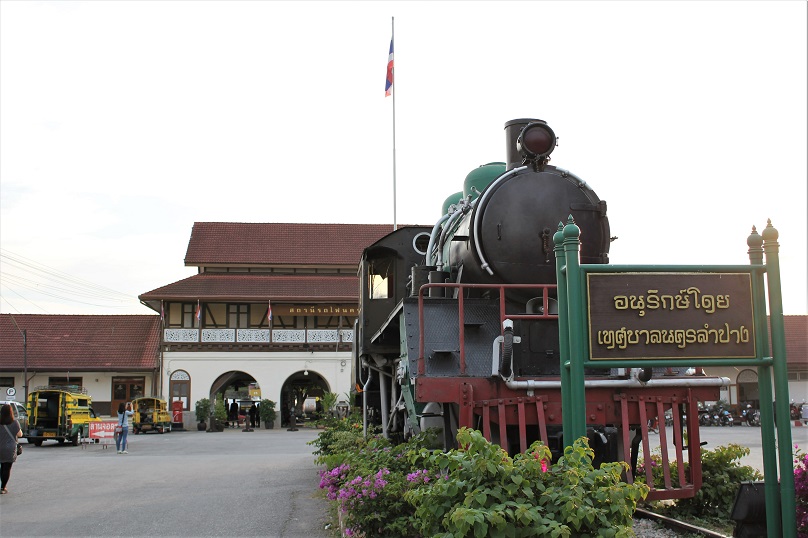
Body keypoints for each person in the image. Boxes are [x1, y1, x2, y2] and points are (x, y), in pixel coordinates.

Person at [0, 403, 23, 494]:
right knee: (7, 468)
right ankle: (3, 488)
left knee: (2, 466)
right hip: (10, 448)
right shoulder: (14, 422)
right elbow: (20, 435)